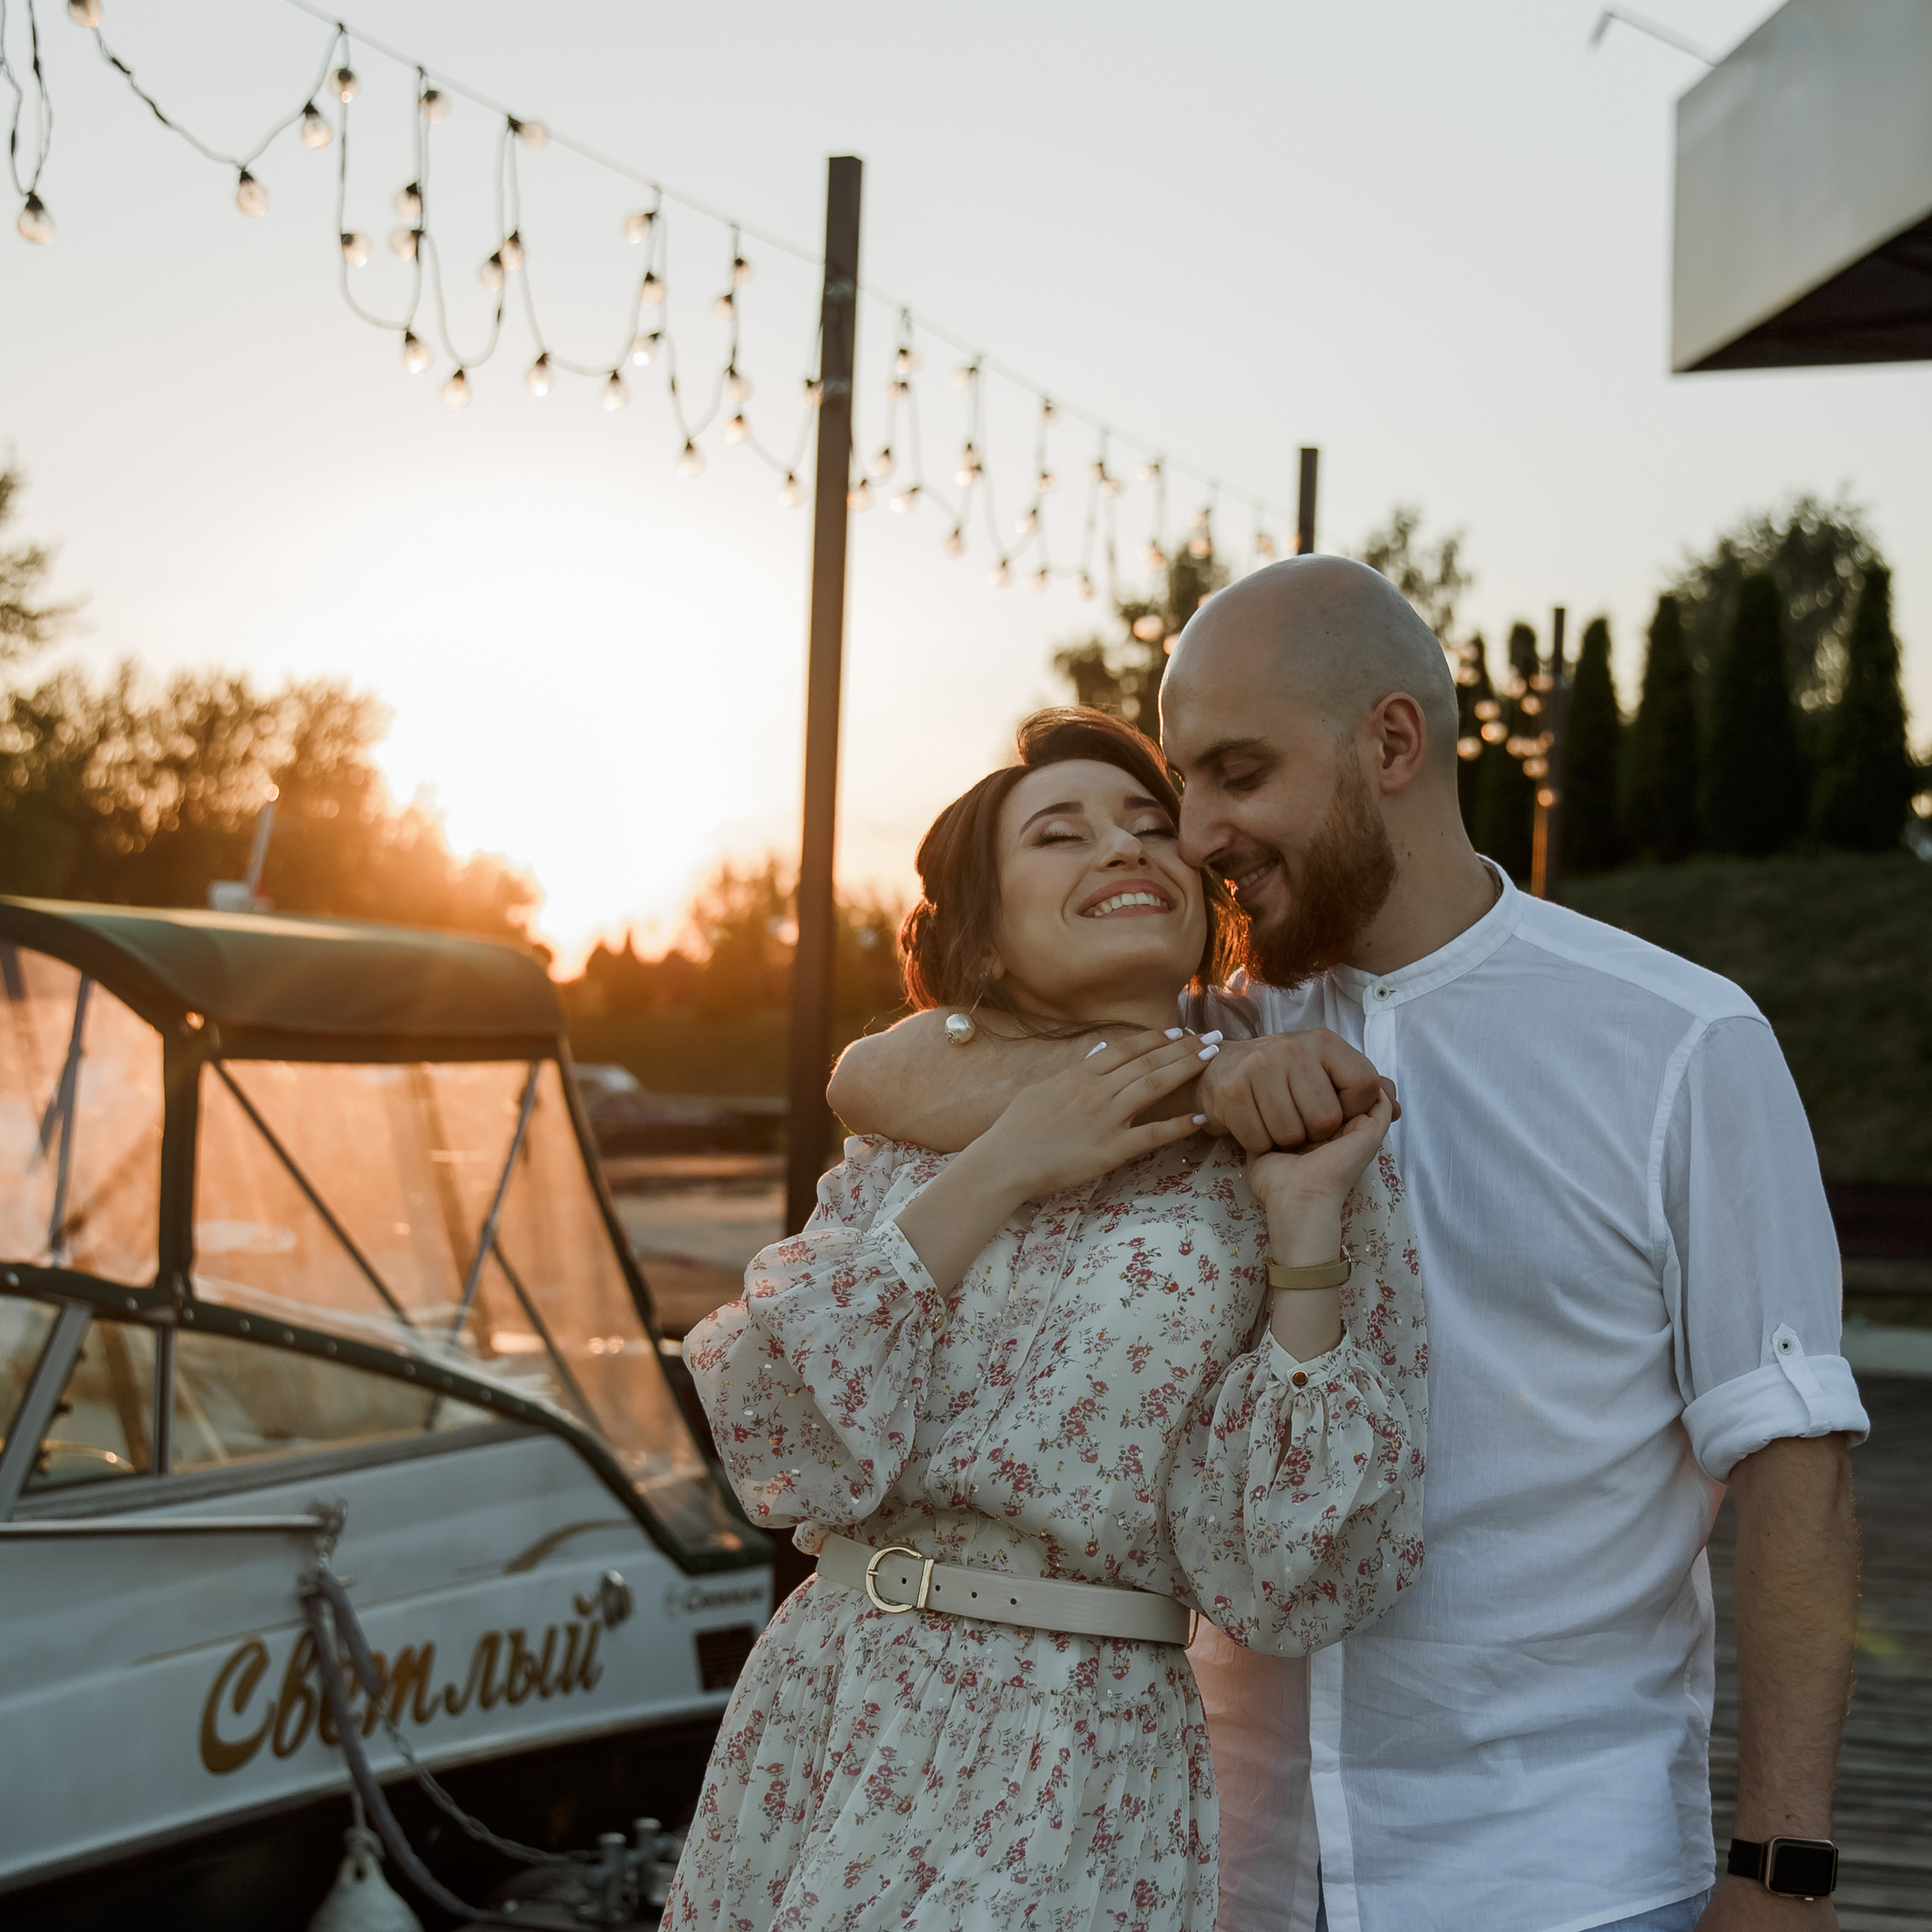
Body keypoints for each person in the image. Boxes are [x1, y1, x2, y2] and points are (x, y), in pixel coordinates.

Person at [829, 557, 1869, 1932]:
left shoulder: (1682, 1042)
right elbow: (880, 1075)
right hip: (1218, 1856)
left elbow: (1795, 1472)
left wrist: (1780, 1870)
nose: (1195, 834)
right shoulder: (1215, 1029)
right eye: (1183, 786)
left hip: (1556, 1868)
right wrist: (1204, 1087)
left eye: (1236, 775)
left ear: (1391, 743)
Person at [661, 708, 1427, 1932]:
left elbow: (1293, 1572)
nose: (1122, 851)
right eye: (1058, 836)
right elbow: (777, 1430)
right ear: (987, 936)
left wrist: (1300, 1235)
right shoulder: (902, 1149)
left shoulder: (1284, 1132)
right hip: (832, 1696)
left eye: (1145, 827)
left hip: (1075, 1739)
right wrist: (1010, 1161)